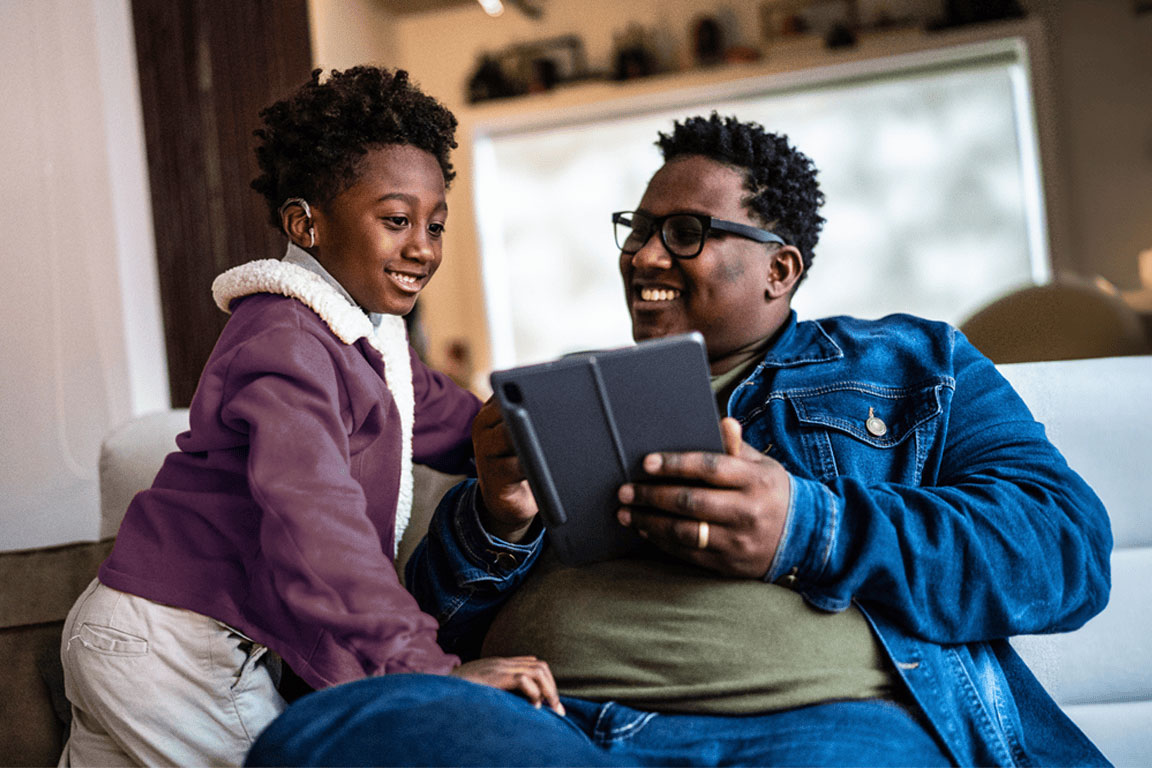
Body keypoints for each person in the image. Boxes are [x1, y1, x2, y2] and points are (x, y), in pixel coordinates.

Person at [246, 114, 1112, 767]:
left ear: (781, 268)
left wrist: (806, 528)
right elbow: (432, 625)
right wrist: (496, 519)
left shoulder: (911, 365)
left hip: (820, 731)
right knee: (331, 733)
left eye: (687, 233)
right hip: (563, 730)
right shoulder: (570, 394)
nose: (646, 255)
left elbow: (1067, 549)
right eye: (640, 229)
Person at [59, 66, 577, 767]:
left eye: (435, 224)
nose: (423, 246)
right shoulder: (286, 344)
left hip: (140, 635)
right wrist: (432, 675)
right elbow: (317, 526)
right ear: (306, 222)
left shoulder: (373, 346)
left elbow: (468, 426)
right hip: (174, 648)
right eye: (396, 221)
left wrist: (574, 439)